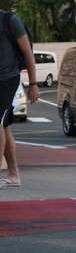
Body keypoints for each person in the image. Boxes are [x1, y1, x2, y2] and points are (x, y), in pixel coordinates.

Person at [0, 10, 40, 187]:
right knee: (4, 124)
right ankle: (14, 173)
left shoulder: (10, 21)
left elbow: (27, 53)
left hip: (7, 79)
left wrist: (33, 83)